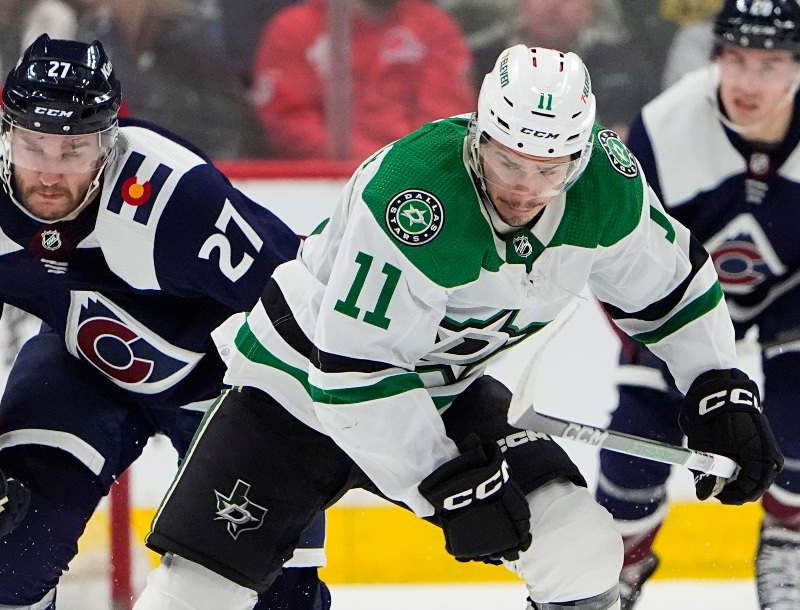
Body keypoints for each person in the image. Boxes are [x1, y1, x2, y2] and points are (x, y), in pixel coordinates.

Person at [128, 44, 783, 610]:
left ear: (579, 155)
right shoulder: (417, 195)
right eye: (508, 161)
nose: (524, 188)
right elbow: (355, 373)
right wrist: (443, 482)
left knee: (579, 546)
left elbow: (673, 286)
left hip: (442, 393)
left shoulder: (605, 186)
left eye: (548, 169)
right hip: (294, 393)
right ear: (479, 135)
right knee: (195, 594)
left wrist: (717, 384)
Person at [0, 34, 331, 610]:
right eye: (33, 146)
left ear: (108, 143)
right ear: (4, 131)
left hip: (229, 389)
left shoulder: (175, 197)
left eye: (73, 151)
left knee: (276, 592)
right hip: (83, 369)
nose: (50, 174)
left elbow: (303, 304)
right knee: (8, 556)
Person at [594, 2, 800, 608]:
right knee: (635, 444)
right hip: (681, 304)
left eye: (769, 64)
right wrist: (685, 357)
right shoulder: (666, 127)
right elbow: (625, 262)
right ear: (714, 57)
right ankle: (618, 564)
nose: (747, 82)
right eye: (735, 60)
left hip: (791, 299)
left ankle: (789, 542)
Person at [251, 0, 475, 161]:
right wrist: (370, 160)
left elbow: (447, 117)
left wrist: (400, 161)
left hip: (415, 173)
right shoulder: (293, 28)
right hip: (323, 180)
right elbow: (289, 120)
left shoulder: (432, 26)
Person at [76, 0, 251, 159]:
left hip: (192, 162)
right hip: (127, 160)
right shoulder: (95, 31)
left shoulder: (185, 35)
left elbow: (220, 121)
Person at [470, 0, 658, 138]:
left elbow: (651, 133)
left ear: (592, 8)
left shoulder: (627, 65)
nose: (553, 5)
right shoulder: (481, 63)